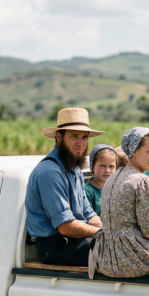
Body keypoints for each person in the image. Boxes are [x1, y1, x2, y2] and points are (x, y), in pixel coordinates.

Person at [89, 127, 149, 278]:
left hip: (105, 257)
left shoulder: (112, 178)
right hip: (130, 256)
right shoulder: (144, 181)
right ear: (134, 151)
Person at [26, 108, 104, 266]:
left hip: (75, 241)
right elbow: (66, 227)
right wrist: (104, 234)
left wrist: (110, 229)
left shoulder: (74, 170)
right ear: (58, 137)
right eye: (74, 136)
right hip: (55, 248)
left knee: (123, 246)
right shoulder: (49, 173)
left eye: (84, 137)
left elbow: (88, 213)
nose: (80, 143)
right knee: (115, 252)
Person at [85, 144, 118, 216]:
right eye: (102, 166)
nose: (107, 170)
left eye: (111, 166)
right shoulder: (87, 192)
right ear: (92, 166)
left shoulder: (116, 189)